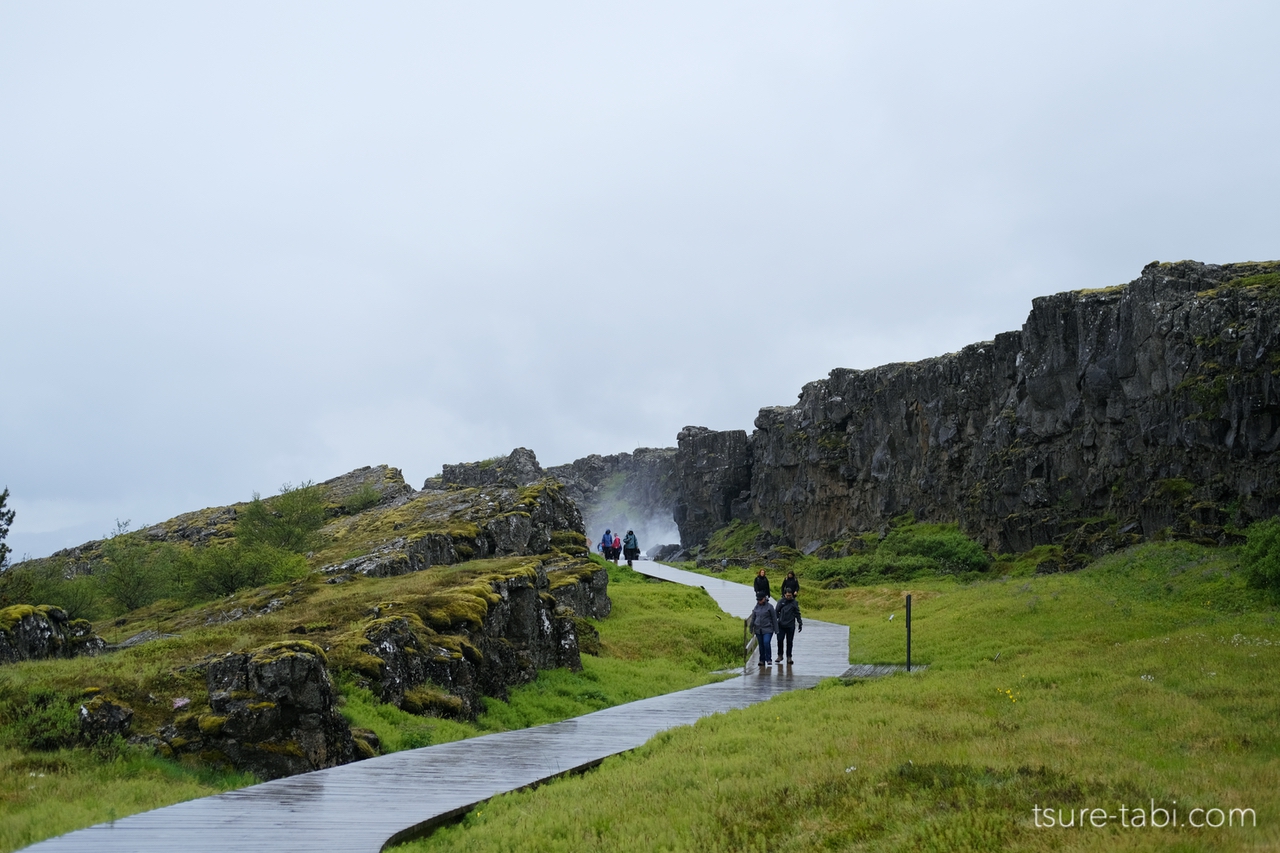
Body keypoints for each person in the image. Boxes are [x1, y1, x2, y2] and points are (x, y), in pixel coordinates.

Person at [776, 590, 803, 665]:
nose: (788, 597)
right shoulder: (781, 602)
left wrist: (800, 623)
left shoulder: (794, 603)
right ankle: (780, 655)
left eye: (790, 596)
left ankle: (789, 657)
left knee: (789, 642)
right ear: (784, 595)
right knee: (780, 640)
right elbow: (776, 611)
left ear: (792, 595)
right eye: (787, 595)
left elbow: (797, 613)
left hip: (790, 625)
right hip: (781, 625)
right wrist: (778, 620)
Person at [751, 593, 779, 667]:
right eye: (758, 600)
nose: (759, 601)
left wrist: (776, 630)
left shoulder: (770, 607)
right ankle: (762, 660)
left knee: (766, 642)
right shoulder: (756, 607)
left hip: (768, 629)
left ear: (764, 598)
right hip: (758, 629)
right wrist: (751, 627)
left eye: (761, 599)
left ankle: (768, 659)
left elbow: (774, 618)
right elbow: (753, 617)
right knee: (761, 645)